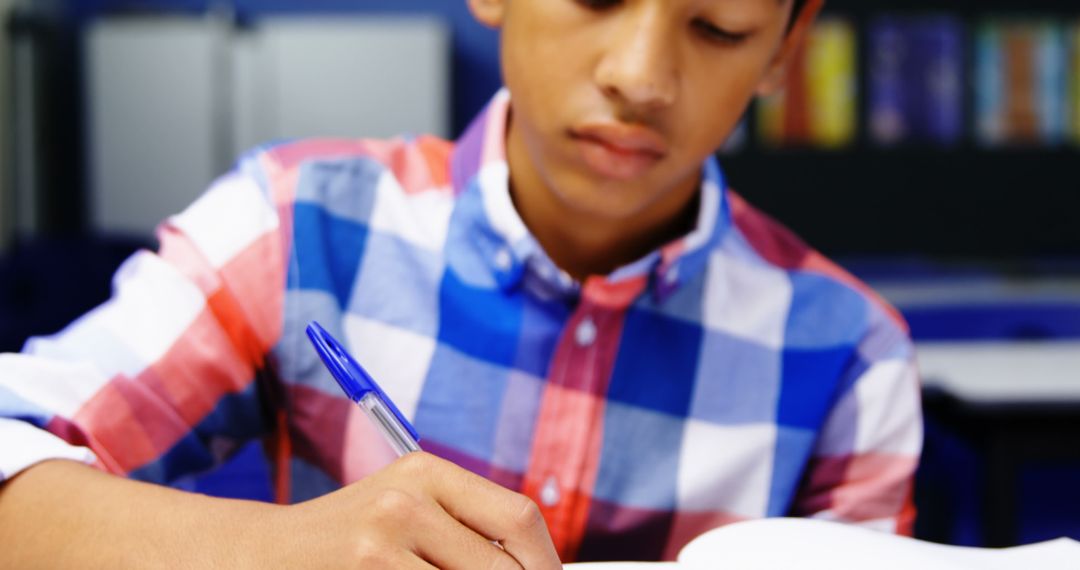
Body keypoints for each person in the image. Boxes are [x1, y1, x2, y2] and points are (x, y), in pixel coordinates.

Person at [0, 0, 922, 566]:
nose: (641, 77)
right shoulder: (294, 225)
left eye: (719, 26)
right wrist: (281, 553)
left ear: (785, 46)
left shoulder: (853, 356)